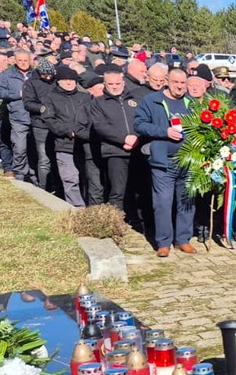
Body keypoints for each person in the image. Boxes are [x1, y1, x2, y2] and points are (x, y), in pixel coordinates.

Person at [135, 66, 196, 257]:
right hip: (163, 161)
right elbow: (139, 124)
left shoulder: (191, 103)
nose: (179, 86)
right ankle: (163, 242)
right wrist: (164, 131)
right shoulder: (151, 100)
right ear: (166, 82)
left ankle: (183, 240)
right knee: (162, 203)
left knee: (186, 202)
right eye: (175, 82)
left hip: (188, 161)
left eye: (183, 82)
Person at [86, 65, 142, 211]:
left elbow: (143, 121)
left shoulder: (135, 99)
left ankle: (138, 221)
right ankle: (116, 220)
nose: (115, 86)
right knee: (117, 191)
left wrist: (136, 138)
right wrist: (124, 139)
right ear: (105, 84)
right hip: (115, 151)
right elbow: (100, 126)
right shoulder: (98, 102)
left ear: (123, 82)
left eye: (118, 83)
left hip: (137, 150)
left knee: (139, 189)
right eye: (111, 84)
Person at [43, 65, 91, 208]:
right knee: (70, 179)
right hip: (64, 144)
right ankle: (77, 208)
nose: (69, 82)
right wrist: (68, 131)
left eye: (72, 80)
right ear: (58, 81)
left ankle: (90, 207)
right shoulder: (50, 98)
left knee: (88, 178)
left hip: (85, 144)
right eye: (65, 79)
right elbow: (49, 120)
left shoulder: (85, 97)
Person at [0, 49, 34, 182]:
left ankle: (33, 174)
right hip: (17, 115)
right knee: (19, 147)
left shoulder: (35, 74)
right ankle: (20, 174)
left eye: (26, 60)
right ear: (15, 61)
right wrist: (16, 95)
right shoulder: (7, 74)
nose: (23, 63)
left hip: (35, 116)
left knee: (34, 147)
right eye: (20, 60)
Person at [21, 58, 58, 191]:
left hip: (57, 122)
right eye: (45, 75)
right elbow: (27, 103)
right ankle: (44, 187)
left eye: (50, 75)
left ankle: (57, 185)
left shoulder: (57, 81)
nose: (48, 78)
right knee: (44, 159)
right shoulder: (31, 83)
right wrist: (41, 108)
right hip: (40, 124)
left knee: (57, 157)